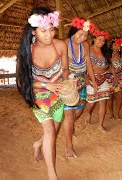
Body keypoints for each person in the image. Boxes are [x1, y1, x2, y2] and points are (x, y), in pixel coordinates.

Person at [16, 7, 70, 180]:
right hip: (38, 94)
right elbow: (24, 81)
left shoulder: (61, 45)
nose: (49, 35)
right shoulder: (27, 52)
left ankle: (38, 144)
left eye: (52, 29)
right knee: (49, 130)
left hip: (58, 93)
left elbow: (66, 70)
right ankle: (52, 174)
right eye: (43, 31)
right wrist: (47, 85)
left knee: (54, 129)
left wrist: (70, 81)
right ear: (34, 31)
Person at [61, 16, 98, 158]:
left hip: (82, 82)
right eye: (80, 34)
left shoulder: (86, 45)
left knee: (79, 111)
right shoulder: (64, 44)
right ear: (73, 32)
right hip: (68, 85)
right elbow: (60, 66)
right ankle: (69, 146)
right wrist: (68, 80)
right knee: (69, 115)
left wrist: (92, 79)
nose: (82, 38)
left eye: (85, 35)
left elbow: (88, 63)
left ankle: (69, 127)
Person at [84, 29, 110, 133]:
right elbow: (84, 66)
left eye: (103, 41)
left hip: (103, 79)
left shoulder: (105, 51)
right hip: (91, 79)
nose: (101, 42)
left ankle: (100, 125)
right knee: (91, 103)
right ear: (94, 39)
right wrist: (86, 79)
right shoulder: (88, 50)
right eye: (99, 40)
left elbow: (108, 65)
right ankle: (89, 113)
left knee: (103, 102)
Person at [106, 37, 122, 120]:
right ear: (111, 46)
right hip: (109, 77)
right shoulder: (108, 55)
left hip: (119, 76)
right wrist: (114, 77)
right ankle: (111, 114)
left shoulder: (121, 55)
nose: (116, 47)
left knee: (119, 97)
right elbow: (111, 67)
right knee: (110, 97)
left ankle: (117, 113)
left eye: (118, 46)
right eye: (115, 45)